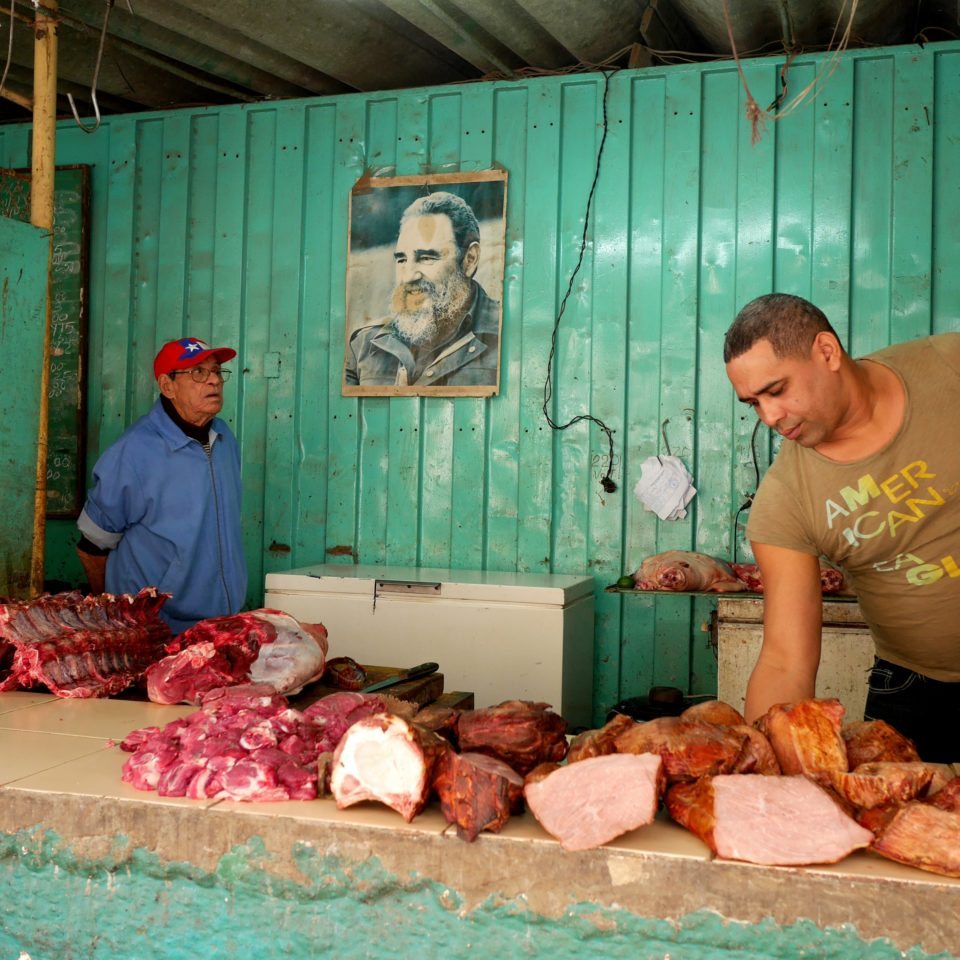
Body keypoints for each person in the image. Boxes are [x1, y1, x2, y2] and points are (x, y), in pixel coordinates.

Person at [723, 292, 960, 761]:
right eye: (753, 403)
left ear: (826, 352)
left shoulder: (948, 366)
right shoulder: (784, 503)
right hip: (918, 695)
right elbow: (785, 658)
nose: (769, 417)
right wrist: (763, 773)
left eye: (776, 390)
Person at [76, 337, 247, 634]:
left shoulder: (224, 438)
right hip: (158, 631)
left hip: (221, 626)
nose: (214, 381)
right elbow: (92, 545)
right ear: (167, 386)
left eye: (217, 372)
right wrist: (117, 619)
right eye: (198, 373)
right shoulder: (134, 451)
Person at [344, 191, 500, 387]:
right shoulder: (363, 346)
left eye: (426, 258)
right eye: (401, 260)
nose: (408, 276)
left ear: (470, 260)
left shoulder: (508, 335)